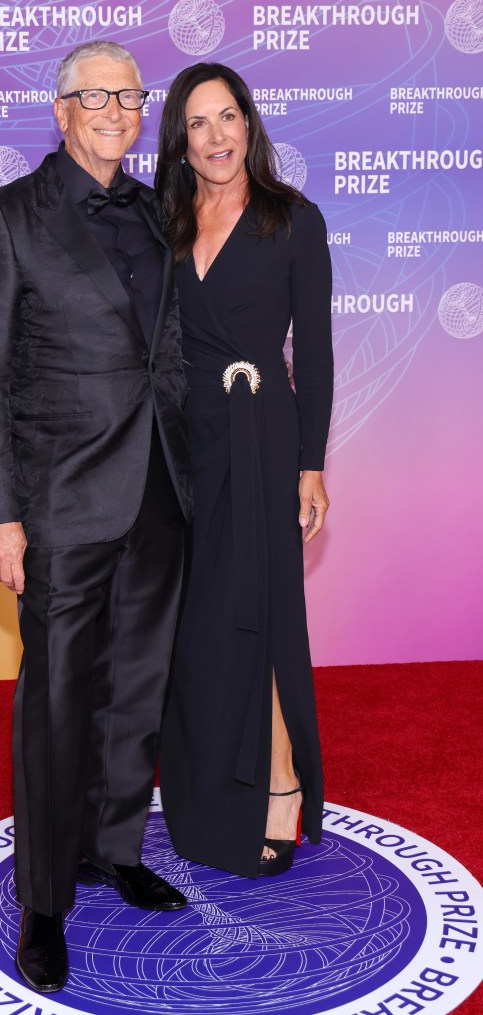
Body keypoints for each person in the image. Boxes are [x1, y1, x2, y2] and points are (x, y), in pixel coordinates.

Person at [0, 41, 193, 994]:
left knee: (134, 689)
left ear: (142, 112)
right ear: (59, 110)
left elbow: (172, 353)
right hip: (57, 501)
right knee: (55, 701)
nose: (111, 108)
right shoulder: (5, 217)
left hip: (161, 494)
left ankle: (111, 846)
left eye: (128, 94)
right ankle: (44, 898)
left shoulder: (156, 214)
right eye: (91, 93)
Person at [155, 63, 333, 880]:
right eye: (199, 123)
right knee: (195, 630)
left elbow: (318, 355)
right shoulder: (163, 221)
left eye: (228, 117)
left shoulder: (292, 221)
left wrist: (311, 463)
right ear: (180, 141)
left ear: (249, 125)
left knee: (256, 617)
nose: (218, 136)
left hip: (262, 438)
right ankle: (205, 790)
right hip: (182, 448)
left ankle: (281, 780)